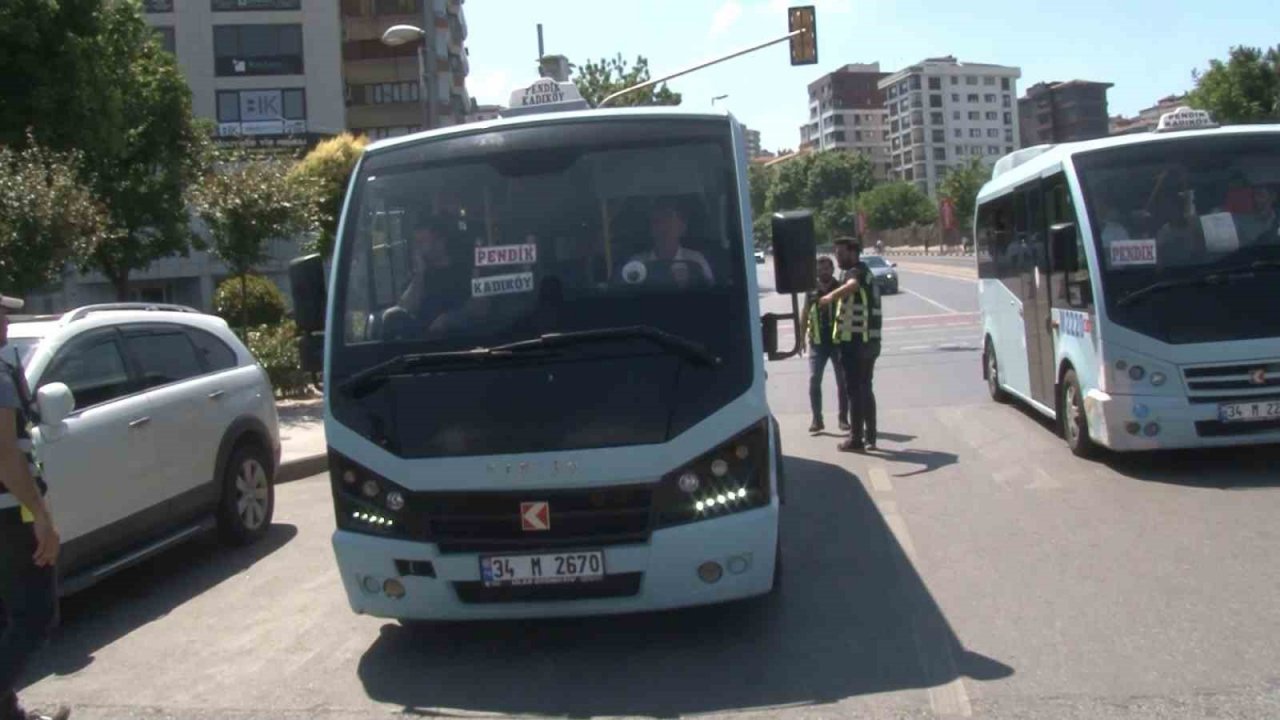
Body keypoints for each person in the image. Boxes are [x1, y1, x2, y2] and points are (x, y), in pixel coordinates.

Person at [0, 293, 71, 720]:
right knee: (35, 615)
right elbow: (6, 455)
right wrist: (41, 518)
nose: (6, 321)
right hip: (9, 512)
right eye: (1, 313)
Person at [820, 238, 882, 452]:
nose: (837, 257)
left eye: (841, 253)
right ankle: (871, 436)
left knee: (854, 390)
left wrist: (829, 297)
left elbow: (852, 286)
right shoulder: (866, 272)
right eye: (836, 253)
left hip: (857, 342)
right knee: (865, 388)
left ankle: (856, 439)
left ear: (853, 253)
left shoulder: (855, 273)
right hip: (870, 341)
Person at [383, 213, 471, 337]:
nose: (417, 249)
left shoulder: (465, 271)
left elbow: (478, 308)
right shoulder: (419, 276)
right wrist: (419, 274)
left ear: (440, 241)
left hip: (463, 342)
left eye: (422, 242)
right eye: (416, 243)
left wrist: (449, 319)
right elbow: (404, 310)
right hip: (424, 348)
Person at [799, 256, 848, 434]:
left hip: (838, 343)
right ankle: (817, 420)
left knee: (842, 382)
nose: (823, 272)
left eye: (826, 269)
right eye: (820, 270)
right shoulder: (811, 290)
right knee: (814, 381)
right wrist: (800, 338)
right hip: (817, 344)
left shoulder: (840, 287)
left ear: (832, 270)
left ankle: (843, 419)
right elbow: (804, 313)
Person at [624, 198, 714, 287]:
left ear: (682, 227)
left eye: (668, 218)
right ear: (651, 229)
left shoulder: (696, 261)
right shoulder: (636, 264)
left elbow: (711, 294)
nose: (662, 226)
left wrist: (689, 282)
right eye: (657, 221)